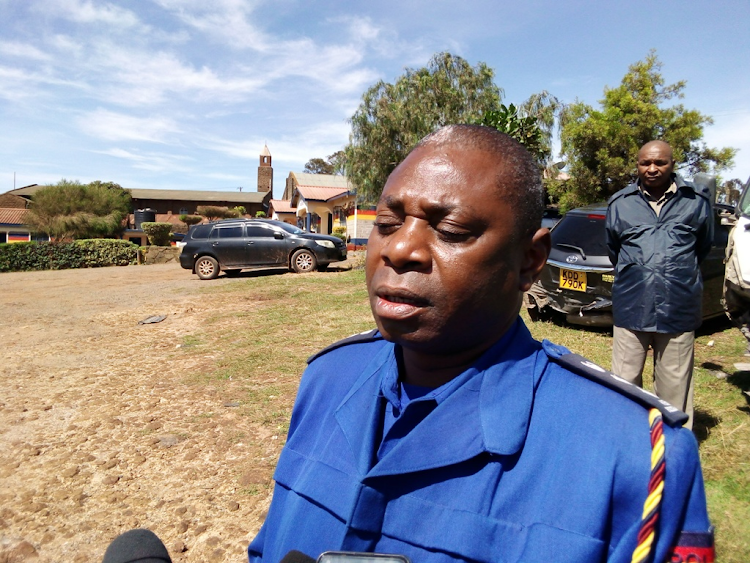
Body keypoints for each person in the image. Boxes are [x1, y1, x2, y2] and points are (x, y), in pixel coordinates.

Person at [244, 126, 712, 563]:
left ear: (529, 261)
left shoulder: (637, 459)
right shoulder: (327, 379)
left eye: (450, 231)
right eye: (388, 222)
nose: (400, 249)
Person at [605, 140, 713, 430]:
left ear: (672, 164)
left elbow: (703, 247)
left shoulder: (696, 202)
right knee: (624, 383)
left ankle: (674, 448)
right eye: (645, 163)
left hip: (678, 305)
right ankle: (628, 441)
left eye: (659, 163)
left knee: (674, 386)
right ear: (638, 165)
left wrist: (675, 273)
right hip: (632, 305)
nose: (652, 168)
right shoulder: (620, 203)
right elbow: (614, 250)